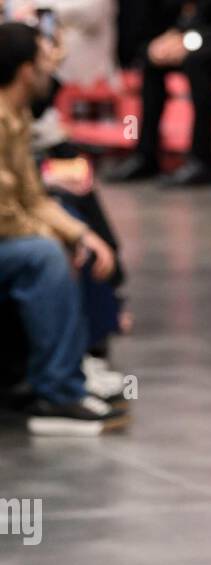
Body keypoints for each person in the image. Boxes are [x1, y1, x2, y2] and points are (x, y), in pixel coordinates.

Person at [0, 21, 126, 433]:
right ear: (24, 71)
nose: (49, 72)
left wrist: (80, 236)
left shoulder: (14, 113)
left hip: (10, 228)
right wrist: (53, 236)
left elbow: (32, 196)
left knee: (74, 221)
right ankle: (57, 391)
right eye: (42, 62)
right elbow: (4, 213)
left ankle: (76, 362)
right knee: (44, 255)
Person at [106, 0, 211, 187]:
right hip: (207, 44)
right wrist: (173, 38)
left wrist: (192, 40)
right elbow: (198, 17)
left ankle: (201, 161)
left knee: (197, 62)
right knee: (153, 61)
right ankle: (145, 156)